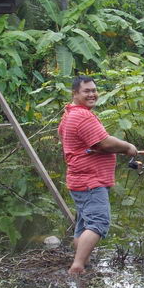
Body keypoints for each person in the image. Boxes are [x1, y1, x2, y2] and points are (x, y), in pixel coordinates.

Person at [58, 75, 138, 275]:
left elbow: (78, 140)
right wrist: (128, 147)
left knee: (83, 225)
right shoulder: (82, 116)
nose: (92, 94)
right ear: (75, 93)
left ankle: (83, 262)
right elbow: (103, 143)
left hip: (80, 179)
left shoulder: (70, 113)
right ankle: (77, 267)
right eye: (87, 91)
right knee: (98, 223)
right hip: (90, 181)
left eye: (94, 90)